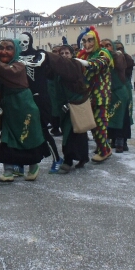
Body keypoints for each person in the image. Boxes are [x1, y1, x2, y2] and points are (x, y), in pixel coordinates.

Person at [0, 39, 50, 182]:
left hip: (23, 106)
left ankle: (33, 167)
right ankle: (8, 171)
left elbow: (7, 72)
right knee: (7, 139)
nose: (3, 51)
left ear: (16, 50)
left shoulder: (19, 66)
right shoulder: (1, 66)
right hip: (8, 107)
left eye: (9, 48)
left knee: (28, 137)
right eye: (1, 48)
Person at [17, 31, 62, 171]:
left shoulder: (40, 53)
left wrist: (21, 62)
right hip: (23, 98)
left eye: (25, 42)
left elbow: (38, 63)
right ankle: (21, 164)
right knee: (23, 130)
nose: (22, 45)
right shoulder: (17, 56)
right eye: (20, 42)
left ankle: (57, 159)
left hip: (40, 98)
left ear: (30, 42)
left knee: (42, 130)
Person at [46, 43, 90, 173]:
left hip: (74, 106)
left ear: (72, 55)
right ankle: (79, 157)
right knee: (67, 132)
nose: (64, 55)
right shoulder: (57, 69)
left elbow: (81, 89)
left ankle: (69, 160)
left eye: (67, 53)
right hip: (62, 108)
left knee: (75, 133)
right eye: (62, 53)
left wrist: (71, 104)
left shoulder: (75, 67)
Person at [75, 26, 113, 163]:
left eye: (90, 40)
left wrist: (81, 62)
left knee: (100, 125)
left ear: (96, 40)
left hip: (101, 96)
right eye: (84, 41)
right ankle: (104, 148)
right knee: (93, 125)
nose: (87, 44)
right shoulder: (84, 55)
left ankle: (104, 151)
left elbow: (97, 64)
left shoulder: (103, 53)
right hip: (88, 96)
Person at [102, 39, 134, 153]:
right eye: (103, 46)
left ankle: (121, 142)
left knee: (122, 118)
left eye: (108, 45)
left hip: (121, 90)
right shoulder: (102, 58)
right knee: (109, 118)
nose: (106, 48)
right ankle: (111, 140)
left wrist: (116, 53)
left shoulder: (122, 57)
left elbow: (123, 65)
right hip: (108, 92)